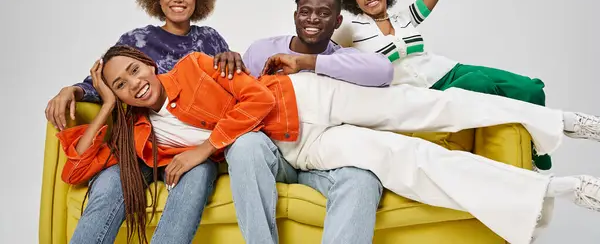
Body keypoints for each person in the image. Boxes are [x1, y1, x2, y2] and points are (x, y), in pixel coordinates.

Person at [59, 43, 600, 244]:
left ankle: (561, 121)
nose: (135, 83)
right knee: (405, 161)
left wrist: (206, 147)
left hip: (307, 100)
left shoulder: (197, 67)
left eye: (135, 70)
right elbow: (78, 167)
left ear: (149, 64)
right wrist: (103, 103)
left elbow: (255, 100)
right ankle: (558, 190)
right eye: (122, 84)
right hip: (299, 150)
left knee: (424, 107)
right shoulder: (141, 138)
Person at [45, 0, 246, 243]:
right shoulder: (137, 40)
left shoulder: (210, 39)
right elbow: (101, 81)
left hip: (192, 148)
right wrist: (72, 90)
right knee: (109, 189)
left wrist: (231, 58)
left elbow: (231, 90)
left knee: (198, 176)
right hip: (141, 148)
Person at [329, 0, 552, 170]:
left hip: (450, 71)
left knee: (529, 89)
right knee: (478, 83)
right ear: (353, 0)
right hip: (426, 95)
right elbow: (323, 48)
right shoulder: (352, 30)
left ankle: (539, 149)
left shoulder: (405, 18)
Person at [230, 0, 393, 243]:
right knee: (244, 145)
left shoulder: (342, 59)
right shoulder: (262, 50)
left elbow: (384, 72)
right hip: (274, 155)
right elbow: (235, 100)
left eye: (324, 13)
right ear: (296, 16)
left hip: (320, 160)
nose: (313, 18)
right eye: (305, 12)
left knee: (363, 179)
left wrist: (308, 63)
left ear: (337, 21)